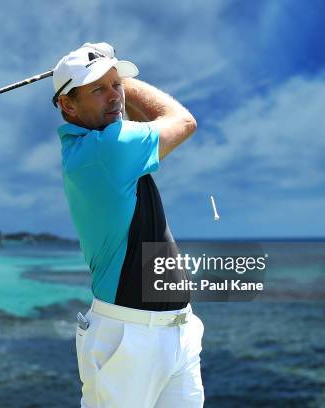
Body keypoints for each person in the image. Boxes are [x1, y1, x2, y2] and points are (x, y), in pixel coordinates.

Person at [53, 42, 204, 408]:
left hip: (176, 330)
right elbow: (183, 121)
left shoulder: (98, 144)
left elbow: (134, 120)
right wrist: (122, 78)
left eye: (116, 85)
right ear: (68, 105)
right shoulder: (108, 150)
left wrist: (104, 73)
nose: (114, 96)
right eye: (98, 89)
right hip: (128, 337)